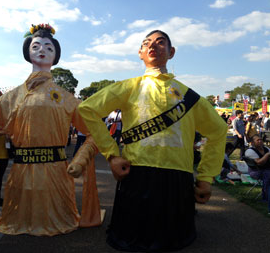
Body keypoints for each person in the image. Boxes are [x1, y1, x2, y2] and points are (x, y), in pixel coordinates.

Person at [78, 29, 227, 252]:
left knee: (174, 242)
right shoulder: (129, 87)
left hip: (177, 178)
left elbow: (218, 130)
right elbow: (87, 109)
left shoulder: (190, 97)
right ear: (140, 53)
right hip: (137, 173)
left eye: (160, 42)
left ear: (171, 52)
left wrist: (206, 177)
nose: (153, 46)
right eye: (147, 43)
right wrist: (112, 155)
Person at [0, 23, 102, 236]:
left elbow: (94, 134)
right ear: (27, 52)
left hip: (57, 172)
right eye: (36, 46)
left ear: (55, 56)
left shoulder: (67, 98)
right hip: (22, 171)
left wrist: (80, 159)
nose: (42, 50)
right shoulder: (8, 99)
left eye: (48, 47)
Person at [245, 134, 270, 213]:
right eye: (257, 140)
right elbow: (259, 162)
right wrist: (267, 155)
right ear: (252, 143)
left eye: (261, 140)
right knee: (268, 174)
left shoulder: (266, 148)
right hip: (255, 171)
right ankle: (265, 197)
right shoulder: (250, 151)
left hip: (266, 170)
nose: (260, 141)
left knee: (268, 173)